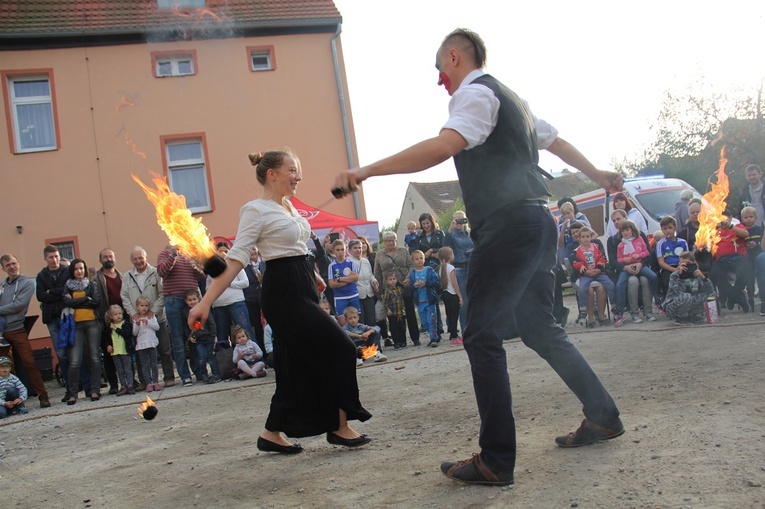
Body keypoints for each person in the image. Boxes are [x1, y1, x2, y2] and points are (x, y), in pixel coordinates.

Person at [333, 28, 623, 486]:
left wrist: (368, 169)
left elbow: (444, 145)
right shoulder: (512, 101)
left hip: (508, 227)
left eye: (439, 69)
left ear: (454, 57)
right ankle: (603, 414)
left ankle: (495, 460)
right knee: (539, 327)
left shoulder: (473, 94)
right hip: (536, 223)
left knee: (480, 334)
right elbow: (556, 141)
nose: (439, 81)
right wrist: (598, 173)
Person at [188, 149, 372, 455]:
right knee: (340, 348)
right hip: (283, 292)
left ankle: (271, 433)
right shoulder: (255, 210)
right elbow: (236, 259)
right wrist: (205, 301)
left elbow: (296, 247)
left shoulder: (288, 207)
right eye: (292, 170)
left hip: (303, 285)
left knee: (292, 365)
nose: (298, 176)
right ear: (271, 174)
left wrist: (314, 274)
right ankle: (339, 427)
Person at [1, 255, 51, 409]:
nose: (12, 267)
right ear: (3, 268)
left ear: (19, 264)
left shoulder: (27, 283)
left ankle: (43, 395)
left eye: (14, 263)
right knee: (5, 367)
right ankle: (11, 399)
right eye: (8, 265)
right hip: (1, 331)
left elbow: (18, 305)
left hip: (16, 329)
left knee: (29, 362)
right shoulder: (3, 285)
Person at [121, 246, 175, 389]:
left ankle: (169, 377)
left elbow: (163, 293)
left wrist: (154, 311)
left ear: (146, 257)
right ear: (131, 260)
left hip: (157, 318)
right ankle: (145, 381)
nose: (138, 261)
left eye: (141, 258)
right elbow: (124, 296)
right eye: (135, 259)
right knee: (141, 352)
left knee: (164, 349)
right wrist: (133, 313)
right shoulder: (127, 276)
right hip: (138, 322)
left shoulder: (156, 272)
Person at [158, 245, 206, 386]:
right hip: (173, 300)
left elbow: (202, 275)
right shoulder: (165, 253)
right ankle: (185, 376)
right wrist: (173, 255)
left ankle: (199, 372)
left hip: (191, 301)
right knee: (178, 340)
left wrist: (196, 261)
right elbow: (162, 271)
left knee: (195, 336)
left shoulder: (189, 254)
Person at [62, 258, 102, 404]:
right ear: (72, 271)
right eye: (76, 268)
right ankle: (73, 394)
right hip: (75, 325)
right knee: (74, 360)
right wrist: (86, 298)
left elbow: (96, 302)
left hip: (92, 323)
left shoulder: (91, 284)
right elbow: (67, 302)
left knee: (94, 357)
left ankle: (95, 390)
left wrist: (77, 302)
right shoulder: (67, 286)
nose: (79, 271)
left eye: (81, 268)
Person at [374, 231, 421, 346]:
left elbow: (411, 266)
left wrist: (408, 278)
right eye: (388, 241)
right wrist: (379, 290)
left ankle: (415, 338)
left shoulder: (403, 251)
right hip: (388, 287)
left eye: (392, 240)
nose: (390, 242)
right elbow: (377, 272)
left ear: (396, 240)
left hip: (404, 284)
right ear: (384, 242)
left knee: (409, 312)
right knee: (394, 315)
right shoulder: (380, 254)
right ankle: (399, 340)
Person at [35, 246, 70, 394]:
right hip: (52, 318)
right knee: (61, 353)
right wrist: (58, 292)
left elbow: (68, 290)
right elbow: (40, 296)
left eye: (56, 256)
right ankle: (69, 387)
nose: (54, 259)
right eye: (51, 257)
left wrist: (52, 291)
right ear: (45, 258)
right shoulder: (41, 276)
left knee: (74, 350)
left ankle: (82, 384)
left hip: (68, 316)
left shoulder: (66, 271)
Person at [614, 220, 658, 325]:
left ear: (632, 230)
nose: (626, 233)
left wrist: (639, 256)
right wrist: (625, 261)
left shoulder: (639, 240)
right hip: (628, 267)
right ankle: (620, 311)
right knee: (620, 284)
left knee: (653, 276)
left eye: (627, 230)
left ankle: (657, 300)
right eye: (623, 231)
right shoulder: (620, 245)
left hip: (640, 265)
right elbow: (619, 259)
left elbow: (646, 252)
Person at [93, 248, 123, 395]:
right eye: (105, 257)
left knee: (125, 351)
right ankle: (113, 384)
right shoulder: (96, 280)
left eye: (110, 256)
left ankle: (128, 380)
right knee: (109, 353)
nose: (108, 259)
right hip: (106, 321)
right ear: (100, 260)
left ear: (115, 258)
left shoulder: (122, 277)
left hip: (122, 320)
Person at [572, 227, 614, 327]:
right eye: (583, 237)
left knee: (610, 285)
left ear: (591, 237)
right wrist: (582, 268)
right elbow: (575, 262)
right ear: (579, 238)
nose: (585, 239)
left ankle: (614, 307)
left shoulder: (596, 247)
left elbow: (602, 258)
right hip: (585, 274)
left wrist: (599, 266)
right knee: (584, 288)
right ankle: (584, 313)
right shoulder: (576, 251)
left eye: (587, 236)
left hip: (598, 272)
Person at [709, 210, 749, 312]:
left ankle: (732, 296)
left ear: (730, 218)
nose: (723, 221)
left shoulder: (736, 226)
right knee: (714, 275)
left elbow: (746, 234)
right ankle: (736, 296)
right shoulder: (714, 230)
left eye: (725, 218)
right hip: (721, 261)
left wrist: (731, 226)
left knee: (745, 272)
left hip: (737, 258)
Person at [443, 210, 473, 335]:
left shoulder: (470, 233)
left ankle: (475, 327)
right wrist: (450, 231)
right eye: (456, 220)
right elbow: (444, 248)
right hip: (459, 269)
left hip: (472, 267)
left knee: (475, 299)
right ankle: (465, 329)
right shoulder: (452, 234)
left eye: (461, 220)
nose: (459, 223)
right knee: (463, 300)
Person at [664, 252, 715, 324]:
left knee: (710, 296)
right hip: (673, 306)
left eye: (688, 263)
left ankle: (693, 315)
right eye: (683, 263)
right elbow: (677, 293)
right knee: (686, 296)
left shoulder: (697, 274)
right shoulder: (675, 275)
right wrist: (681, 277)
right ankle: (681, 318)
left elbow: (710, 291)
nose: (685, 265)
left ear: (694, 263)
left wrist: (703, 278)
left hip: (690, 303)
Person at [183, 290, 220, 384]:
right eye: (190, 300)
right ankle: (204, 375)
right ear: (186, 301)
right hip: (198, 340)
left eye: (194, 299)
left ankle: (216, 374)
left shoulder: (204, 309)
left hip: (208, 337)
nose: (192, 302)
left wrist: (213, 336)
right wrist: (189, 336)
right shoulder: (185, 312)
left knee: (210, 357)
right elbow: (186, 326)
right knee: (201, 357)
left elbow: (212, 323)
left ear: (199, 299)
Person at [408, 250, 440, 346]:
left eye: (421, 258)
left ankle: (433, 339)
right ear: (413, 261)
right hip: (420, 301)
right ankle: (435, 335)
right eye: (416, 259)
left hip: (429, 300)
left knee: (432, 320)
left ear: (424, 259)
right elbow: (410, 286)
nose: (419, 260)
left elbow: (436, 281)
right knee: (425, 322)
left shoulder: (429, 270)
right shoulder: (413, 273)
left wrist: (426, 283)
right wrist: (414, 285)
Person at [656, 216, 689, 305]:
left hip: (682, 266)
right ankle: (670, 304)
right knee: (668, 282)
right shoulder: (661, 243)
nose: (668, 231)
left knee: (688, 282)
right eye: (665, 229)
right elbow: (661, 262)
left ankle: (686, 302)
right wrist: (674, 270)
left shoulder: (682, 242)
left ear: (675, 228)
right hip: (668, 268)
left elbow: (687, 257)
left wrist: (681, 266)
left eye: (670, 228)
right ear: (662, 230)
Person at [103, 304, 135, 396]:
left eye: (120, 313)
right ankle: (123, 386)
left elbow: (126, 334)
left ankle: (130, 385)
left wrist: (116, 329)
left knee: (128, 369)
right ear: (111, 316)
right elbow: (107, 338)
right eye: (115, 314)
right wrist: (108, 345)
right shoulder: (109, 327)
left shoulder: (125, 324)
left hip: (125, 351)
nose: (118, 316)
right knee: (119, 370)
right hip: (115, 352)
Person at [132, 296, 161, 393]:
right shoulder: (135, 319)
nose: (144, 308)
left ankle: (155, 381)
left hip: (151, 343)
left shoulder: (151, 317)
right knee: (144, 364)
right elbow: (135, 333)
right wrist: (137, 324)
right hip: (141, 344)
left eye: (146, 306)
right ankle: (148, 382)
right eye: (142, 306)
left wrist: (147, 322)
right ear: (137, 307)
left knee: (154, 363)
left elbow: (157, 327)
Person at [348, 239, 378, 326]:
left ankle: (372, 339)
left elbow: (370, 274)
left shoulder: (365, 261)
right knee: (360, 319)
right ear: (349, 250)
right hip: (356, 295)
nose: (358, 250)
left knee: (371, 319)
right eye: (355, 248)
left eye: (360, 248)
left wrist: (374, 281)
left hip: (369, 294)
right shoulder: (348, 262)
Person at [327, 239, 361, 317]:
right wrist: (349, 278)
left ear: (346, 250)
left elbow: (356, 278)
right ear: (334, 251)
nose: (340, 252)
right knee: (342, 323)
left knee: (355, 321)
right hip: (340, 297)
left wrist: (339, 279)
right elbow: (331, 284)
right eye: (338, 250)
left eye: (342, 249)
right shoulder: (332, 266)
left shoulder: (352, 263)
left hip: (353, 295)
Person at [438, 247, 463, 345]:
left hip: (445, 293)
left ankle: (452, 334)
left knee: (449, 315)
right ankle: (454, 336)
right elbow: (454, 283)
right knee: (454, 316)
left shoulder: (441, 267)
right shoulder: (451, 268)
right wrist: (460, 295)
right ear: (450, 256)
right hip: (453, 293)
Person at [243, 246, 265, 351]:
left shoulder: (265, 264)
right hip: (251, 301)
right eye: (250, 250)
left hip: (267, 299)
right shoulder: (244, 268)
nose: (252, 252)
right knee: (256, 327)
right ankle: (261, 351)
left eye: (254, 249)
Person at [740, 206, 761, 311]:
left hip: (758, 255)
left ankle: (761, 295)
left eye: (751, 217)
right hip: (747, 258)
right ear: (742, 219)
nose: (748, 219)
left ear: (755, 218)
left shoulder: (759, 230)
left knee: (760, 277)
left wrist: (756, 243)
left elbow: (762, 242)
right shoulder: (741, 231)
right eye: (746, 217)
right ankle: (750, 297)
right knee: (749, 278)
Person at [381, 271, 407, 350]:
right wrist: (388, 310)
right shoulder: (387, 291)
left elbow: (402, 300)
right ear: (386, 281)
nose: (392, 281)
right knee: (394, 328)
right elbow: (385, 302)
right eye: (390, 279)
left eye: (394, 279)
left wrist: (404, 308)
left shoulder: (399, 289)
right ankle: (397, 342)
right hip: (393, 313)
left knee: (402, 327)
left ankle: (403, 341)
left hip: (401, 312)